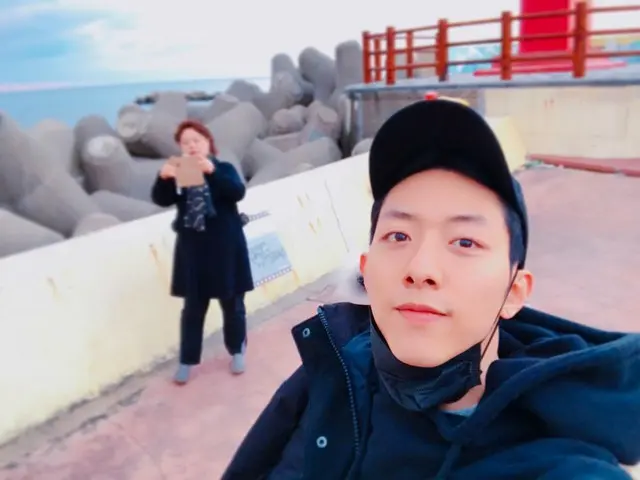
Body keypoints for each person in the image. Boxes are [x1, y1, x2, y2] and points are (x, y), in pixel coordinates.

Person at [222, 99, 640, 479]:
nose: (420, 269)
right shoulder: (335, 367)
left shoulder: (563, 464)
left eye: (465, 242)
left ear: (514, 292)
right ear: (367, 271)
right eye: (399, 236)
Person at [151, 120, 254, 384]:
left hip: (226, 250)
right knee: (193, 310)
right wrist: (164, 178)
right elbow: (162, 199)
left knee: (233, 305)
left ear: (208, 142)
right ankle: (187, 361)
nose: (192, 146)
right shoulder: (182, 171)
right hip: (194, 252)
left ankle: (237, 350)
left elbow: (237, 192)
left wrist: (212, 171)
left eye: (196, 140)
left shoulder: (224, 168)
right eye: (185, 143)